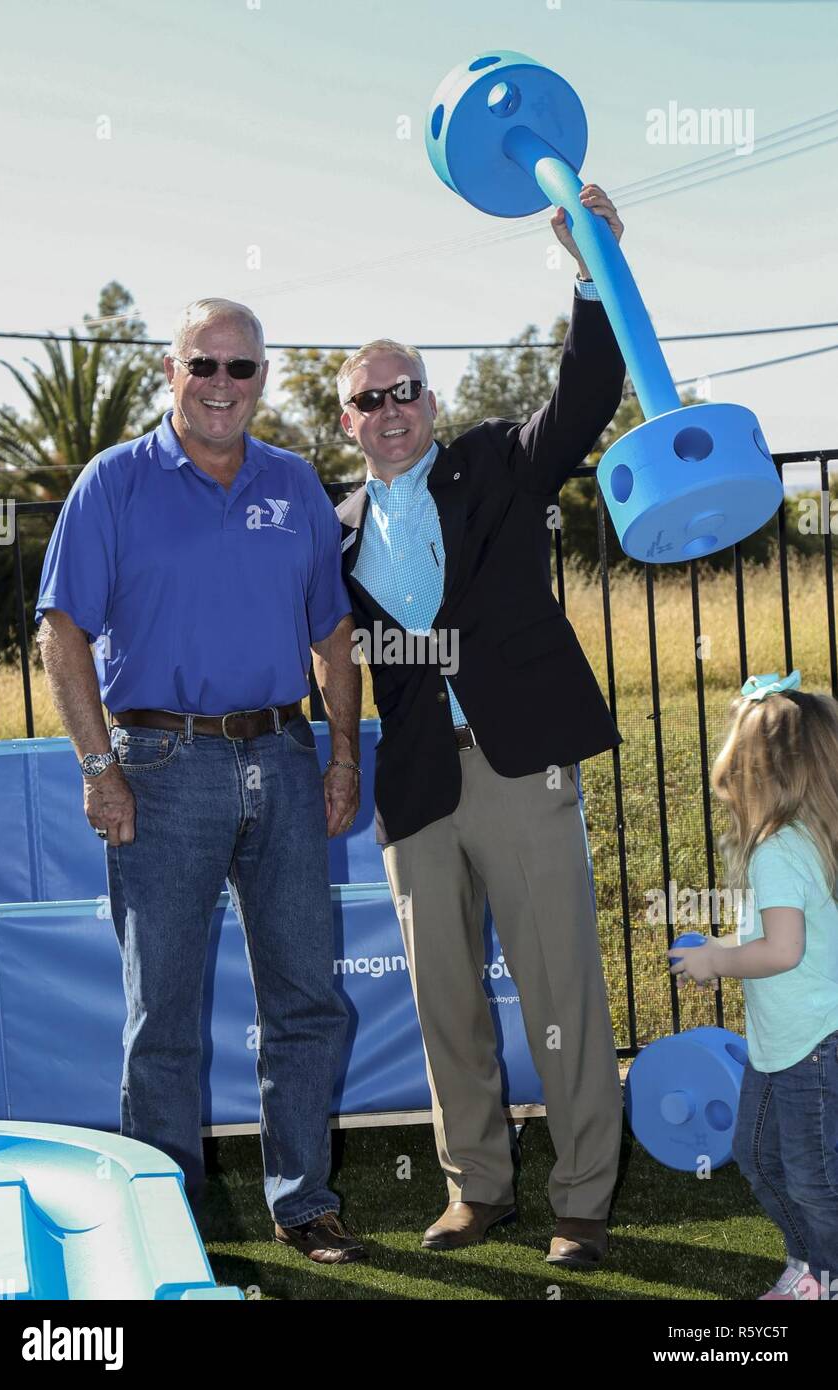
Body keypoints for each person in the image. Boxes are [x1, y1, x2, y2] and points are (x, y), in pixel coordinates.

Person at [35, 298, 365, 1265]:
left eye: (243, 368)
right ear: (170, 373)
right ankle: (161, 1228)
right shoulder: (114, 483)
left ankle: (304, 1202)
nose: (223, 386)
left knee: (306, 998)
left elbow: (333, 634)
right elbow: (61, 632)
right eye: (204, 366)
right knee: (163, 1018)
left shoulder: (296, 483)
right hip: (159, 769)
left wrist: (342, 754)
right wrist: (100, 770)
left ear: (264, 378)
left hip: (285, 758)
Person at [335, 187, 627, 1266]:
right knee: (444, 1001)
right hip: (416, 792)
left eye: (404, 389)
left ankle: (584, 1198)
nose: (391, 408)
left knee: (561, 991)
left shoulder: (499, 461)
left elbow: (586, 393)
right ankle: (476, 1188)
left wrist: (590, 271)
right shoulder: (331, 531)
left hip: (518, 771)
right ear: (347, 421)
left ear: (429, 396)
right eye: (369, 398)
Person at [671, 670, 838, 1301]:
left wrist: (718, 960)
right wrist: (723, 950)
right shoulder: (811, 840)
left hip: (811, 1046)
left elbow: (783, 950)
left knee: (812, 1178)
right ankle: (811, 1265)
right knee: (759, 1156)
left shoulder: (779, 851)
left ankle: (827, 1274)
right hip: (787, 1045)